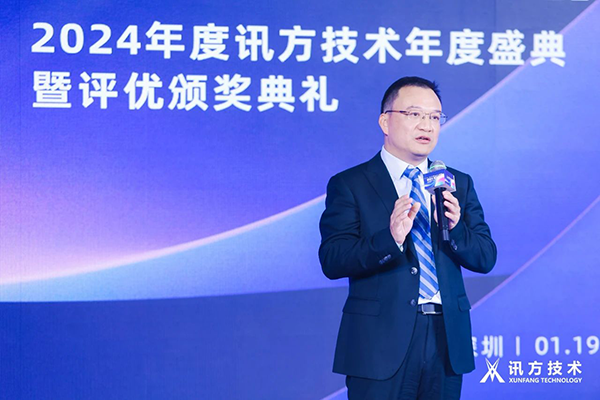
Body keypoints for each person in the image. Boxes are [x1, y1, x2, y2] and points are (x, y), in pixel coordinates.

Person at [319, 76, 497, 399]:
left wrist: (456, 228)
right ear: (385, 122)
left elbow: (485, 257)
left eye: (434, 117)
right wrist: (390, 239)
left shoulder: (456, 183)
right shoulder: (351, 184)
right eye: (414, 114)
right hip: (379, 344)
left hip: (446, 340)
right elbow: (333, 259)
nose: (426, 125)